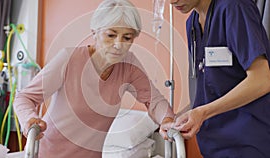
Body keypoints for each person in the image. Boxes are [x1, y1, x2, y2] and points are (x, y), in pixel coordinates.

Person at [13, 0, 175, 157]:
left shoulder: (129, 65)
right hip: (48, 152)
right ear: (94, 33)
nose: (119, 44)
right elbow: (25, 97)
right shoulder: (69, 59)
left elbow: (155, 101)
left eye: (127, 38)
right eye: (111, 35)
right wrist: (30, 120)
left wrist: (167, 120)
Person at [159, 0, 270, 157]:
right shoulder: (192, 23)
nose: (172, 1)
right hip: (213, 145)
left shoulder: (235, 8)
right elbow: (211, 87)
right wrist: (180, 121)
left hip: (248, 143)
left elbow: (262, 80)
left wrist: (203, 113)